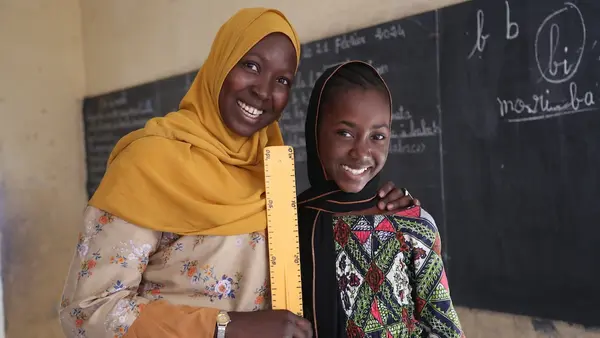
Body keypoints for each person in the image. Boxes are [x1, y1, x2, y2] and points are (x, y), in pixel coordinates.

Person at [59, 8, 419, 338]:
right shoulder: (148, 162)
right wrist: (226, 328)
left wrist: (381, 209)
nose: (264, 91)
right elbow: (86, 313)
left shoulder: (272, 168)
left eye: (282, 81)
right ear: (221, 63)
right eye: (250, 65)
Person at [297, 61, 464, 338]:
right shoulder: (285, 226)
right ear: (316, 131)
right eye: (345, 133)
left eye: (377, 136)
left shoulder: (411, 225)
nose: (362, 152)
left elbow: (444, 330)